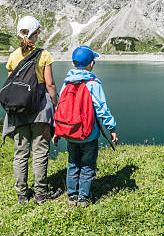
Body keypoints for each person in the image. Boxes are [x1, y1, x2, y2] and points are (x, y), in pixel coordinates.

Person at [2, 15, 61, 205]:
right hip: (40, 109)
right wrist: (56, 105)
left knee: (21, 153)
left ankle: (21, 195)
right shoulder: (44, 55)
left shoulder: (13, 56)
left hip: (18, 110)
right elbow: (50, 84)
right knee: (40, 151)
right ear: (36, 33)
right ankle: (40, 194)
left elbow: (12, 84)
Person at [52, 45, 118, 207]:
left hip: (70, 132)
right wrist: (112, 129)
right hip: (88, 134)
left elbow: (61, 107)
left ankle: (72, 196)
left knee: (73, 163)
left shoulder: (67, 82)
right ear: (91, 64)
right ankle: (83, 198)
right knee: (88, 165)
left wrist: (57, 130)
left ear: (74, 64)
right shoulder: (93, 83)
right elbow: (102, 109)